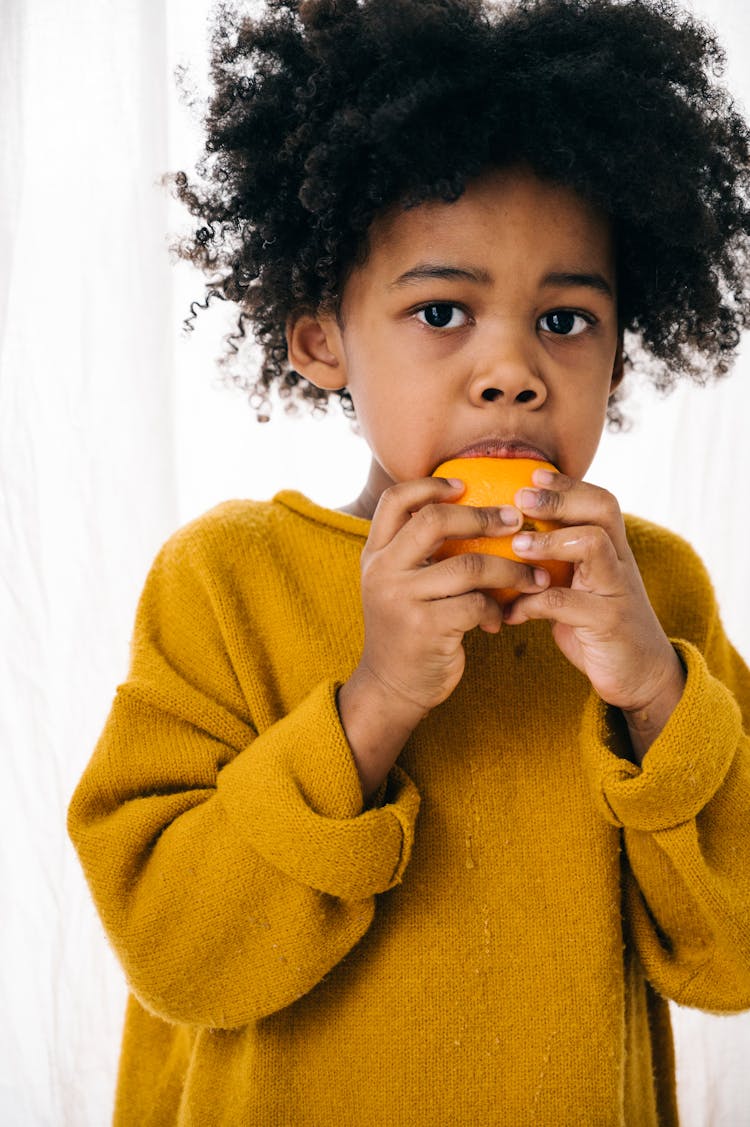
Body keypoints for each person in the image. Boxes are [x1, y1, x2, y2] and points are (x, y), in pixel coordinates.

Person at [68, 0, 750, 1123]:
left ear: (626, 342)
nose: (512, 371)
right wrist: (373, 701)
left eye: (567, 321)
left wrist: (657, 695)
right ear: (321, 337)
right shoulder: (225, 583)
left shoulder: (653, 593)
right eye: (443, 309)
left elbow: (728, 956)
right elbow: (177, 957)